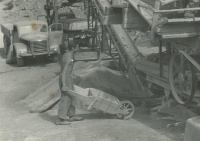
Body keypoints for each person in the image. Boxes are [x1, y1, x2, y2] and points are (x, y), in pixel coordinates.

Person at [56, 44, 83, 125]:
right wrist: (64, 84)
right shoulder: (68, 57)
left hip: (69, 77)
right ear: (73, 47)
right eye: (77, 47)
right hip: (65, 77)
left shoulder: (71, 55)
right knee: (66, 97)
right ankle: (61, 119)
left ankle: (72, 115)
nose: (78, 49)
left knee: (72, 95)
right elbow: (64, 72)